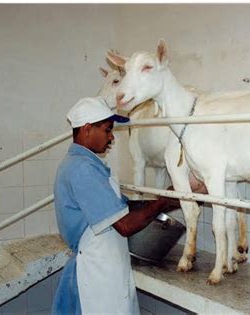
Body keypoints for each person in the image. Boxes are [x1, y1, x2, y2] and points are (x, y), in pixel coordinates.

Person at [51, 96, 182, 315]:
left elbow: (126, 209)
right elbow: (125, 225)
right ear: (86, 129)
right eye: (107, 129)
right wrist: (162, 202)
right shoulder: (82, 169)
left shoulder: (87, 164)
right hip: (98, 274)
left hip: (108, 266)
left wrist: (172, 197)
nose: (111, 137)